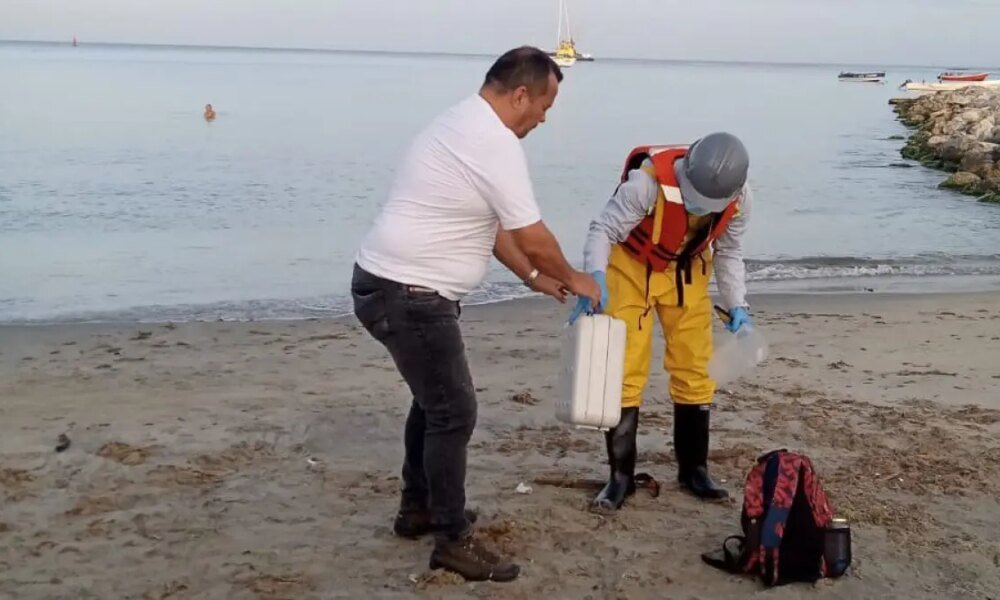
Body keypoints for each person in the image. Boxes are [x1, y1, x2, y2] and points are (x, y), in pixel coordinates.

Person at [350, 46, 601, 582]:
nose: (544, 118)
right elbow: (532, 235)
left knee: (433, 402)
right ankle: (451, 541)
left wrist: (536, 279)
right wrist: (578, 278)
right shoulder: (491, 140)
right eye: (544, 105)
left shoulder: (462, 124)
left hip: (392, 285)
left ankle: (418, 509)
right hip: (408, 292)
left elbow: (495, 232)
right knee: (454, 412)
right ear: (519, 96)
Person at [568, 132, 753, 511]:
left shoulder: (740, 198)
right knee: (623, 371)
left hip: (686, 274)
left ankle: (693, 471)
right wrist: (594, 279)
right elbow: (602, 230)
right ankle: (620, 477)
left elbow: (730, 252)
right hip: (631, 270)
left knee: (696, 368)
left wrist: (738, 305)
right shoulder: (645, 185)